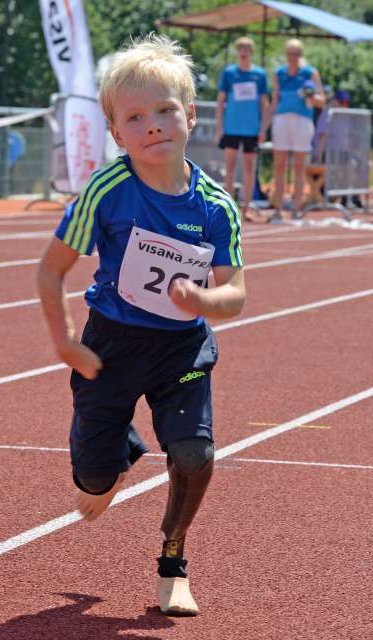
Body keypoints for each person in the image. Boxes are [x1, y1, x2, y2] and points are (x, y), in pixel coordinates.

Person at [37, 34, 246, 617]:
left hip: (181, 347)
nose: (152, 125)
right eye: (134, 116)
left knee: (194, 455)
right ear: (116, 132)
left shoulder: (215, 206)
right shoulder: (108, 191)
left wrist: (204, 298)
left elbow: (237, 293)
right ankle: (115, 456)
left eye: (164, 110)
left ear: (191, 115)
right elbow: (51, 271)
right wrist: (65, 340)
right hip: (111, 343)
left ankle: (173, 562)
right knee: (94, 481)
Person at [267, 39, 325, 223]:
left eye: (296, 54)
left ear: (301, 55)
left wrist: (311, 95)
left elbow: (321, 100)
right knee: (279, 166)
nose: (293, 57)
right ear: (286, 54)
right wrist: (264, 126)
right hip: (282, 120)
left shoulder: (310, 73)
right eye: (290, 53)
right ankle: (278, 209)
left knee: (299, 167)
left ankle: (296, 209)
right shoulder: (279, 73)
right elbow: (274, 100)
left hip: (302, 121)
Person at [215, 36, 270, 223]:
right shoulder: (229, 73)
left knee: (249, 170)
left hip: (251, 130)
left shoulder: (260, 75)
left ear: (251, 51)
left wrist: (263, 129)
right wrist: (220, 127)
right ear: (237, 52)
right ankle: (230, 208)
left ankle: (246, 209)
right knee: (229, 169)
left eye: (247, 48)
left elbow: (264, 103)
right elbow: (221, 101)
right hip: (231, 128)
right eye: (240, 48)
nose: (244, 51)